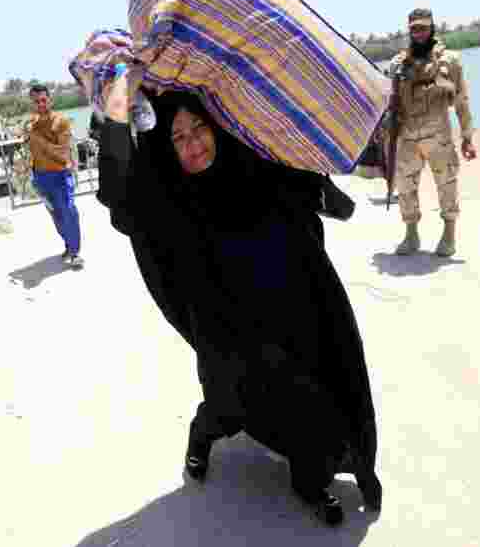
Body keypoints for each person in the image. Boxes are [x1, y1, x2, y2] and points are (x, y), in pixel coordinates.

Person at [95, 90, 382, 525]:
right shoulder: (166, 197)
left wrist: (325, 182)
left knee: (315, 395)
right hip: (223, 329)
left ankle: (311, 481)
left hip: (290, 312)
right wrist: (117, 114)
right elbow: (120, 194)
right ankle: (201, 436)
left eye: (200, 129)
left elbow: (306, 176)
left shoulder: (253, 166)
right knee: (230, 402)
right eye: (178, 138)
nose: (193, 145)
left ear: (217, 126)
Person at [387, 7, 477, 257]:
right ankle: (411, 234)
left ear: (432, 28)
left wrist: (467, 137)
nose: (418, 32)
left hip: (439, 136)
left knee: (446, 184)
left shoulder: (451, 60)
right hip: (407, 137)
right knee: (405, 187)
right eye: (414, 28)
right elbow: (389, 104)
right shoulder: (397, 64)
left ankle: (449, 234)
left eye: (423, 27)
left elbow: (462, 102)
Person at [26, 84, 83, 269]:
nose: (40, 104)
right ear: (32, 103)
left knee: (69, 211)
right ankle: (68, 245)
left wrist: (39, 140)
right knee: (56, 215)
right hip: (40, 178)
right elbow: (30, 148)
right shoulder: (31, 122)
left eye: (43, 100)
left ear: (49, 100)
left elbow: (63, 153)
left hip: (60, 174)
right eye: (36, 101)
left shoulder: (61, 121)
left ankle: (75, 253)